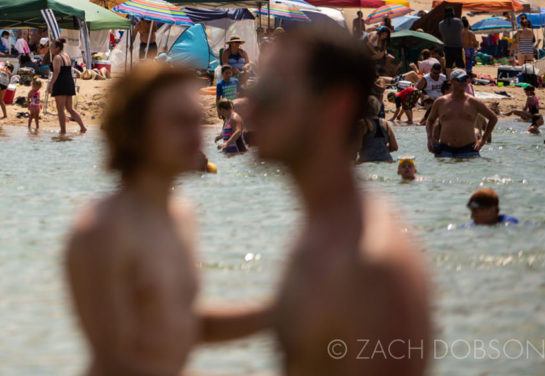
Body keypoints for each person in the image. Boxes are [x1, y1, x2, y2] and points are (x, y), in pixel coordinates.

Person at [240, 24, 432, 376]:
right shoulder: (331, 229)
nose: (249, 112)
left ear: (335, 106)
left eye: (269, 95)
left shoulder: (369, 266)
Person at [66, 63, 271, 375]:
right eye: (179, 122)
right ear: (135, 129)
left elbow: (177, 323)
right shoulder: (101, 230)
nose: (195, 135)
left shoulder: (181, 212)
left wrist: (281, 311)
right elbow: (118, 355)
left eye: (195, 121)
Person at [425, 70, 497, 159]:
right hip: (444, 151)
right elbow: (430, 120)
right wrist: (430, 139)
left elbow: (493, 118)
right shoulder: (440, 102)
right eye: (460, 79)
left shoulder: (473, 102)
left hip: (468, 150)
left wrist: (482, 140)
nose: (464, 82)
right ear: (452, 81)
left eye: (466, 79)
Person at [48, 39, 87, 134]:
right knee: (70, 108)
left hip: (61, 83)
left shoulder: (57, 57)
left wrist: (51, 84)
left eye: (52, 46)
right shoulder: (66, 55)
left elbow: (56, 72)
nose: (50, 48)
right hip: (69, 82)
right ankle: (82, 127)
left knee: (60, 109)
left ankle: (63, 131)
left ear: (57, 48)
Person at [356, 96, 398, 163]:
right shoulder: (385, 124)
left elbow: (357, 147)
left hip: (367, 162)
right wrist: (381, 149)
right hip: (386, 160)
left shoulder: (363, 124)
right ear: (378, 108)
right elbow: (394, 147)